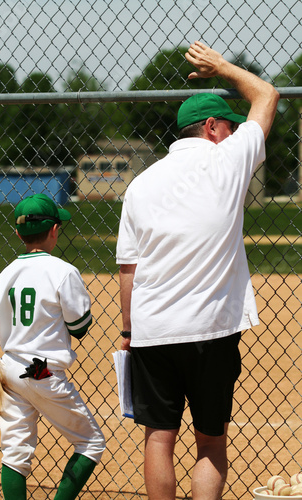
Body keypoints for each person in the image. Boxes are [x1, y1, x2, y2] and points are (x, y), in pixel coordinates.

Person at [116, 41, 279, 500]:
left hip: (153, 330)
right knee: (209, 440)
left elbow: (128, 267)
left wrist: (129, 330)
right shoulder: (227, 159)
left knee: (158, 438)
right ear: (211, 128)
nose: (234, 133)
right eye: (228, 126)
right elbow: (266, 95)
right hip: (211, 331)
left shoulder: (140, 184)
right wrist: (222, 67)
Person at [0, 193, 105, 500]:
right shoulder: (63, 271)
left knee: (15, 452)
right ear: (54, 231)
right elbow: (80, 326)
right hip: (41, 370)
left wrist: (15, 331)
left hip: (10, 368)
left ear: (19, 233)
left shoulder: (6, 272)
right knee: (90, 442)